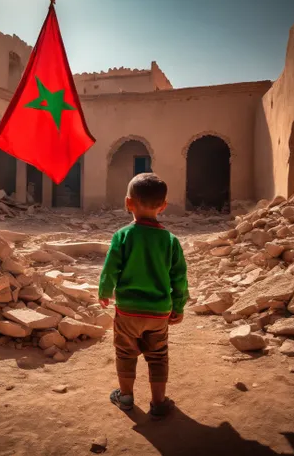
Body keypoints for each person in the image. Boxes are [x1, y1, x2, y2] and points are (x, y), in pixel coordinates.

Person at [98, 172, 189, 418]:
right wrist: (178, 306)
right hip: (159, 312)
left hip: (128, 310)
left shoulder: (123, 236)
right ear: (163, 205)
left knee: (125, 352)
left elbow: (111, 267)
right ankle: (158, 403)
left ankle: (125, 397)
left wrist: (105, 291)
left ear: (128, 203)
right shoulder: (170, 241)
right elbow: (179, 277)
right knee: (158, 355)